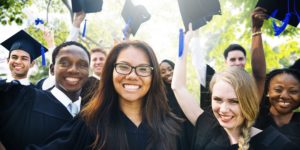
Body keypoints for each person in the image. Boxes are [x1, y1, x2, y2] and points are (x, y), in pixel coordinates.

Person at [27, 40, 181, 150]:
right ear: (110, 73)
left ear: (153, 77)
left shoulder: (173, 128)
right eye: (123, 66)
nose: (132, 76)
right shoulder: (90, 123)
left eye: (143, 69)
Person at [171, 22, 297, 149]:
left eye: (234, 101)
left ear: (249, 102)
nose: (224, 109)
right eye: (217, 99)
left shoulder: (276, 144)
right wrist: (185, 44)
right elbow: (178, 86)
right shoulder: (207, 126)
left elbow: (259, 75)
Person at [0, 41, 90, 150]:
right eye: (65, 63)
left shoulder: (92, 114)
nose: (74, 70)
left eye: (82, 64)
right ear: (52, 69)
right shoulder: (25, 99)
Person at [200, 7, 267, 109]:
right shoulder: (217, 83)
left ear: (245, 60)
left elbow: (259, 75)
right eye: (232, 59)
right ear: (225, 62)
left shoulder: (251, 85)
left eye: (241, 59)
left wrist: (256, 29)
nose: (237, 62)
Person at [255, 68, 300, 148]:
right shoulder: (255, 120)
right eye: (278, 90)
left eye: (293, 92)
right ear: (267, 91)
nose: (284, 96)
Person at [159, 59, 194, 149]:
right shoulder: (160, 96)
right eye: (163, 72)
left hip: (189, 130)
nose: (167, 73)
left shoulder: (183, 90)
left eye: (170, 69)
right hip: (173, 135)